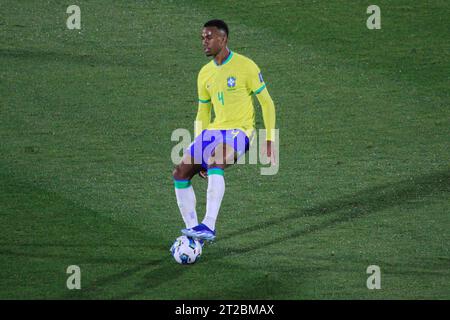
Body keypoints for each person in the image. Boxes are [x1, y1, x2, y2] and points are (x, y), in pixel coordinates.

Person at [172, 19, 276, 241]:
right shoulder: (204, 73)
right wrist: (197, 144)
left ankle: (208, 225)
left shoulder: (246, 66)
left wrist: (269, 139)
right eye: (202, 37)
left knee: (216, 160)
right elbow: (203, 112)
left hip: (240, 130)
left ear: (223, 39)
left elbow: (266, 102)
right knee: (180, 172)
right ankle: (194, 231)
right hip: (213, 131)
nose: (204, 42)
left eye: (209, 37)